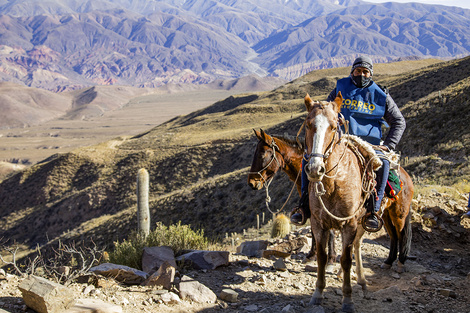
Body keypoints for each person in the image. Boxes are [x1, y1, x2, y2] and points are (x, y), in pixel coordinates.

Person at [290, 56, 406, 231]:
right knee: (308, 159)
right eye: (358, 71)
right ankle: (304, 205)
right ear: (352, 71)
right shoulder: (341, 88)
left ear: (371, 74)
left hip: (370, 143)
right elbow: (328, 109)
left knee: (384, 164)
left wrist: (389, 145)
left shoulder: (381, 95)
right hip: (343, 139)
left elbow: (399, 121)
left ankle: (373, 211)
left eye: (365, 72)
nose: (361, 74)